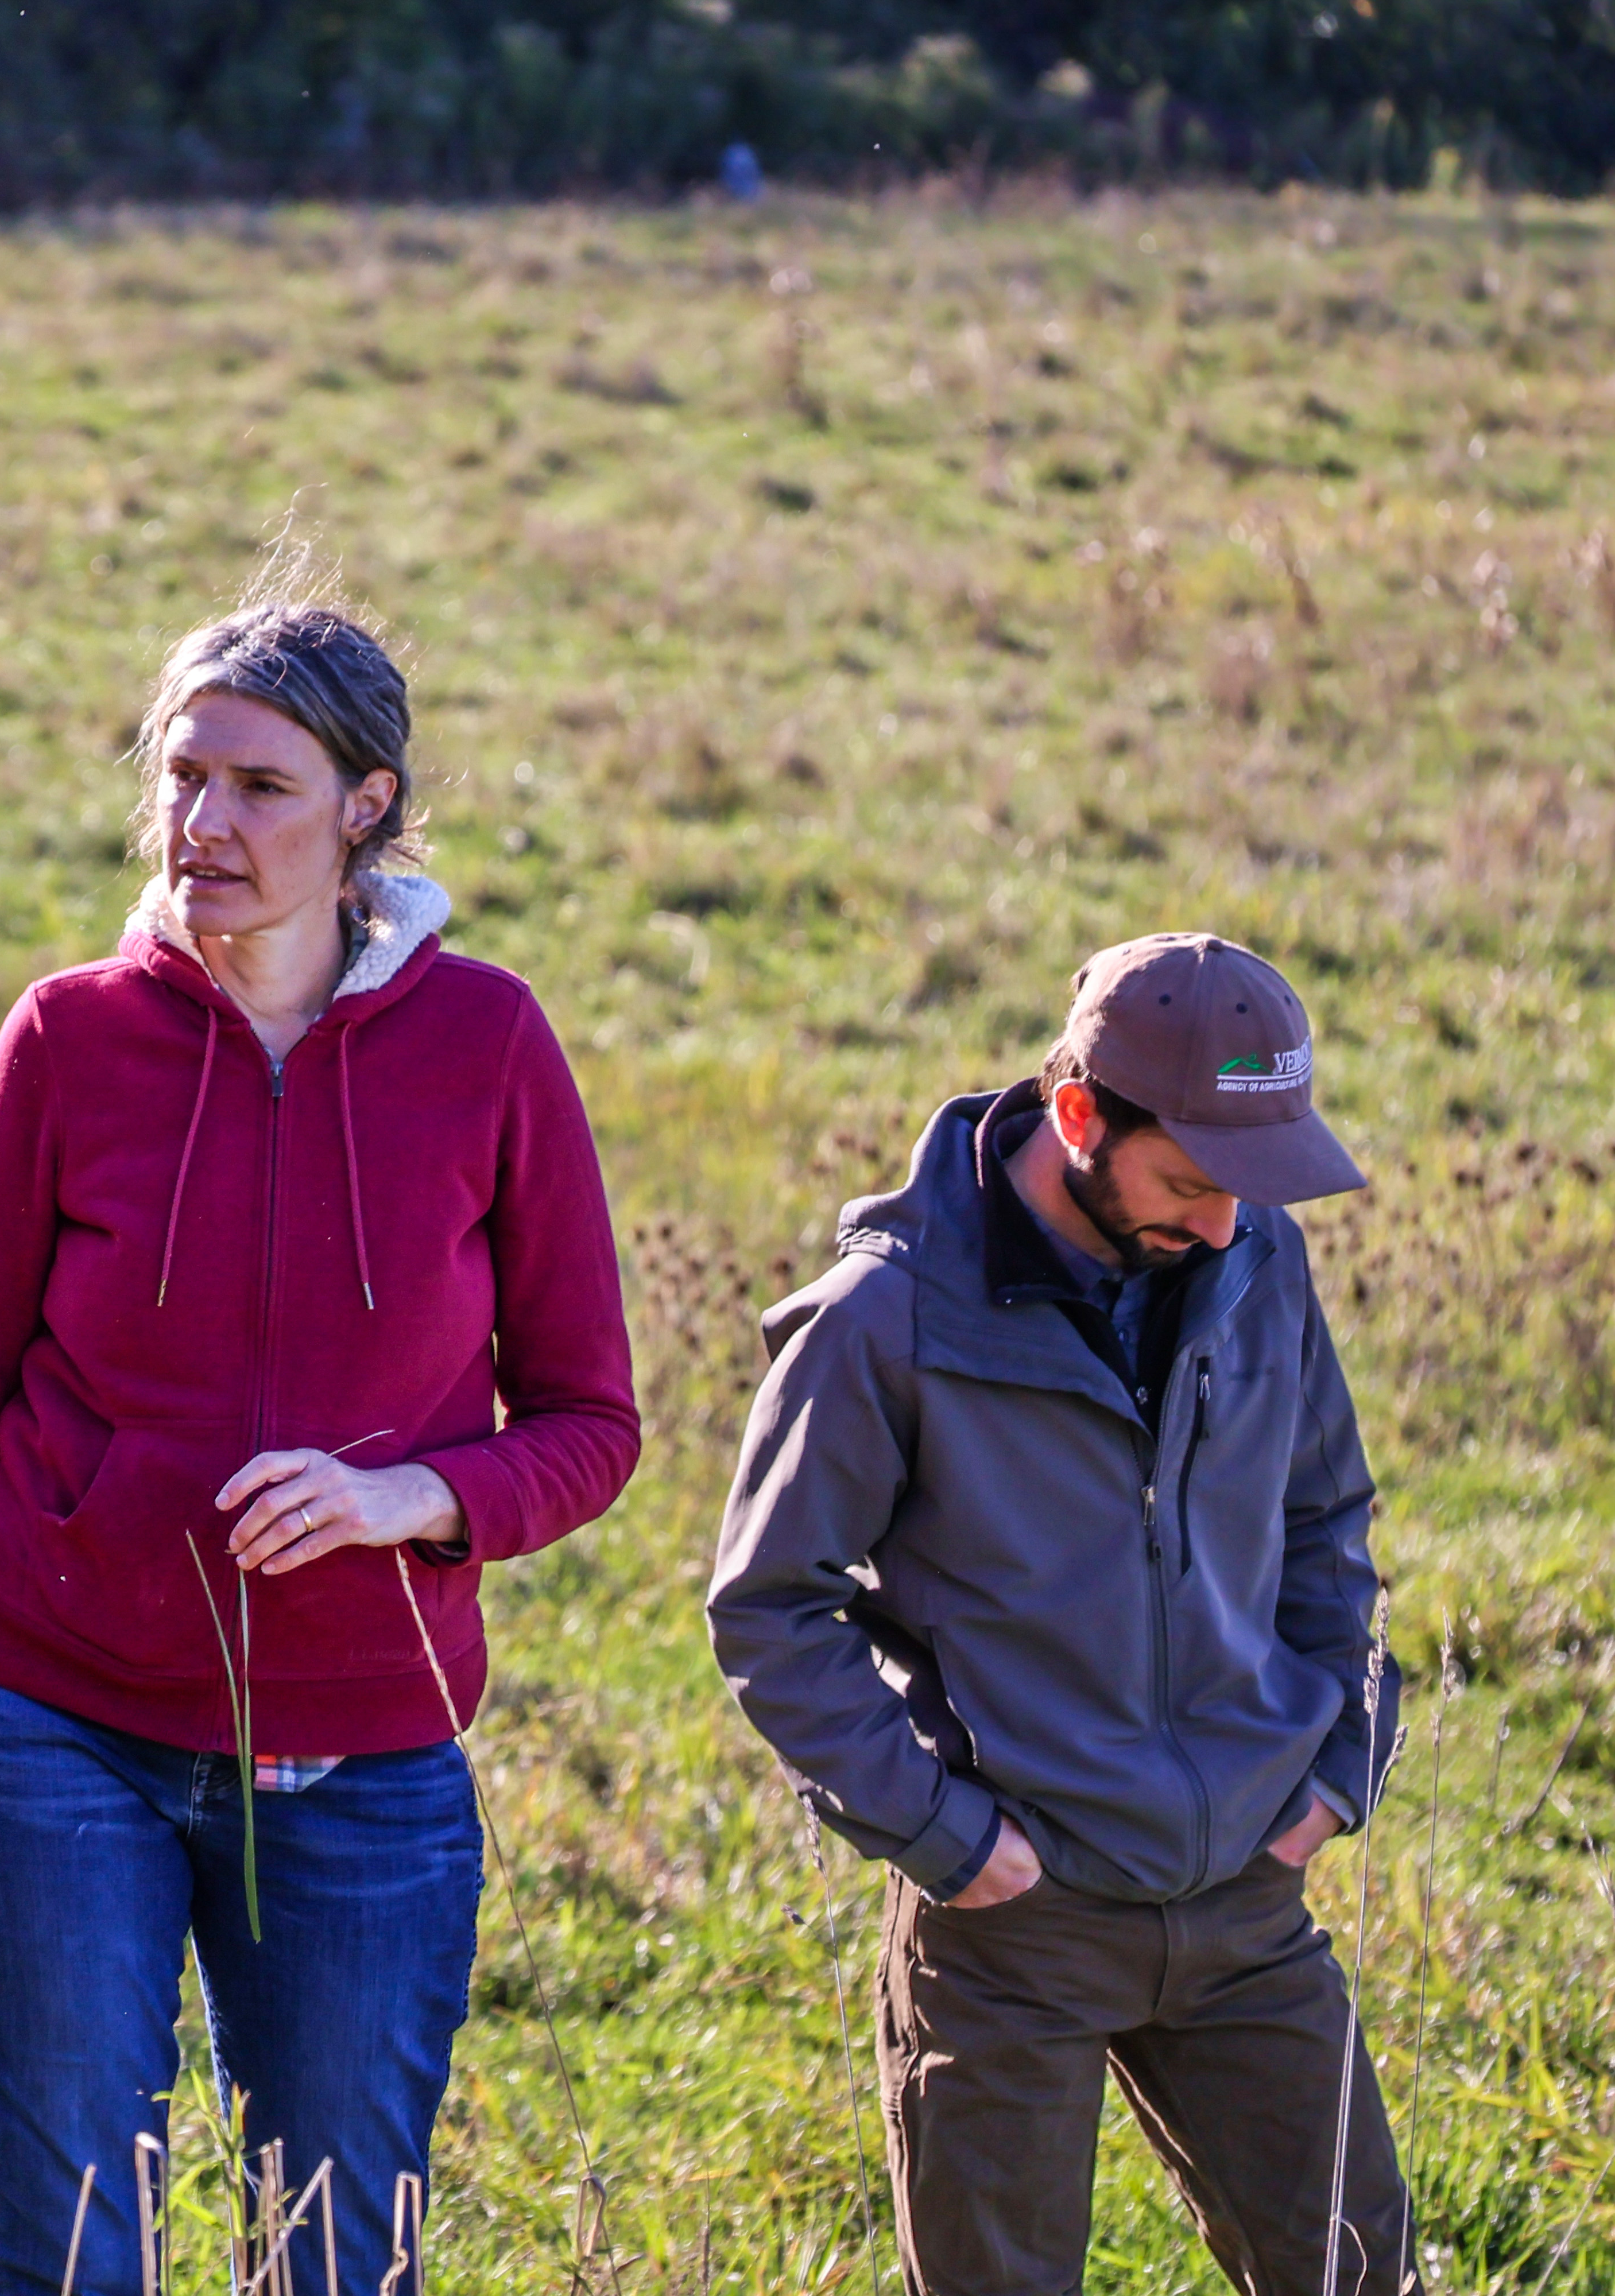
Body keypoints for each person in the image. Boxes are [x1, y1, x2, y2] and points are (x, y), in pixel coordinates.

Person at [0, 599, 642, 2296]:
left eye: (260, 786)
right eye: (184, 779)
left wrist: (412, 1499)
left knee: (337, 2257)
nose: (206, 827)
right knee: (77, 2251)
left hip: (367, 1758)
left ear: (368, 806)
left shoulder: (489, 1049)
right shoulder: (69, 1039)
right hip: (46, 1727)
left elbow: (593, 1425)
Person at [706, 933, 1407, 2296]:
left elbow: (1330, 1525)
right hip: (1015, 1924)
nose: (1222, 1222)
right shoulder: (886, 1320)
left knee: (1363, 2275)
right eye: (1192, 1180)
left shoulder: (1262, 1257)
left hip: (1251, 1904)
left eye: (1248, 1186)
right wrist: (946, 1838)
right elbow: (772, 1605)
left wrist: (1336, 1766)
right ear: (1080, 1116)